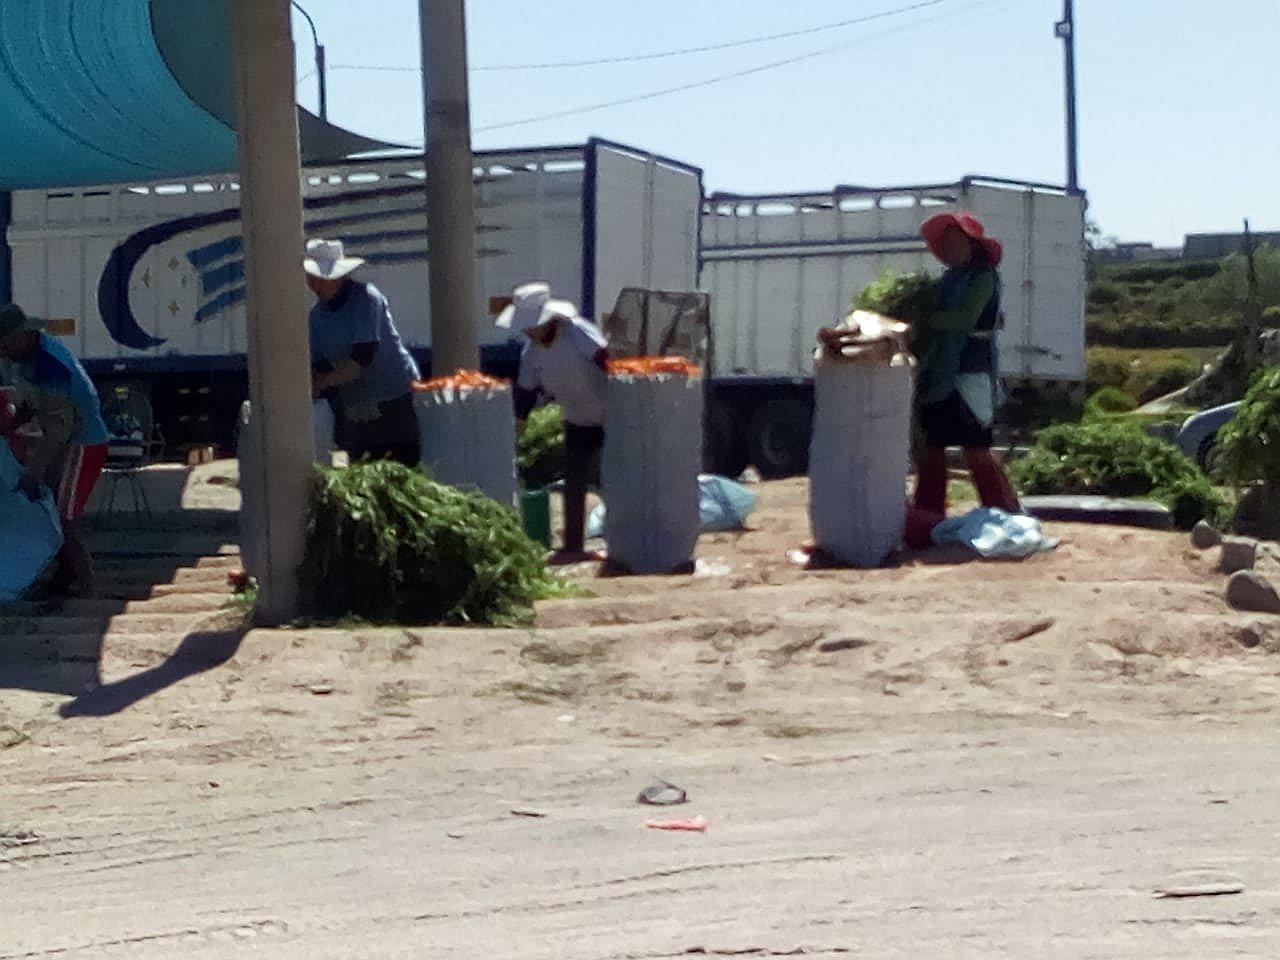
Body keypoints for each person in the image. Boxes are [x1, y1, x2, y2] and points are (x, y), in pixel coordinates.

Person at [907, 212, 1021, 546]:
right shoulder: (948, 280)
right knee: (932, 448)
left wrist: (924, 321)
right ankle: (927, 519)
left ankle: (1003, 513)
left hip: (971, 370)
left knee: (976, 448)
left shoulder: (983, 277)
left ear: (972, 244)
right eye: (945, 245)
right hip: (941, 371)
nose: (950, 250)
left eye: (956, 242)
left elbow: (965, 317)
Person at [0, 304, 109, 596]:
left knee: (61, 516)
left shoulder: (50, 366)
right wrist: (11, 425)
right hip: (67, 437)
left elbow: (59, 430)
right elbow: (33, 405)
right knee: (48, 507)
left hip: (83, 442)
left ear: (20, 337)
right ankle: (65, 575)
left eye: (3, 345)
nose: (2, 353)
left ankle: (86, 583)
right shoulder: (31, 357)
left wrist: (33, 472)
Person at [499, 282, 610, 566]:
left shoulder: (577, 334)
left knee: (614, 481)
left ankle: (623, 541)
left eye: (530, 325)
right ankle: (573, 546)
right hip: (576, 418)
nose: (527, 331)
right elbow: (526, 391)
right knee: (574, 483)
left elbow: (608, 362)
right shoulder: (532, 353)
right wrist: (518, 423)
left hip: (611, 417)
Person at [305, 238, 421, 465]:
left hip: (394, 396)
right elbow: (320, 364)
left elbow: (363, 357)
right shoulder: (317, 316)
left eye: (320, 278)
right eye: (312, 278)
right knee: (363, 467)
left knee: (402, 464)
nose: (314, 284)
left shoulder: (367, 299)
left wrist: (325, 382)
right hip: (355, 404)